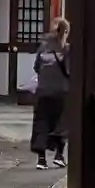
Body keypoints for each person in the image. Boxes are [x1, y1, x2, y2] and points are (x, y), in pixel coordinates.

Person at [30, 16, 71, 169]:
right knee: (61, 124)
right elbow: (70, 70)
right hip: (62, 91)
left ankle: (41, 160)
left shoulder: (43, 48)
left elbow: (36, 67)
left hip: (43, 91)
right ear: (65, 32)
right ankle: (59, 155)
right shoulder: (66, 49)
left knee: (41, 123)